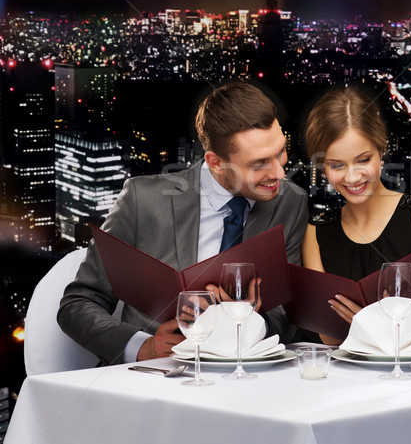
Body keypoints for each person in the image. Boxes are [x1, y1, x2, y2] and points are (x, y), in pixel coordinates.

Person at [58, 82, 308, 365]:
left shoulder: (291, 203)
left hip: (243, 378)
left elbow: (287, 312)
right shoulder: (143, 200)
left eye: (281, 151)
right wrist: (143, 347)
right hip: (151, 378)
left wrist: (249, 323)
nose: (279, 172)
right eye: (259, 163)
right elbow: (77, 305)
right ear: (214, 162)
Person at [302, 88, 411, 357]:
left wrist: (378, 323)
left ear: (381, 151)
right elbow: (329, 338)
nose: (352, 177)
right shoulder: (318, 231)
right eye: (336, 165)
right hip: (359, 373)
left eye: (363, 160)